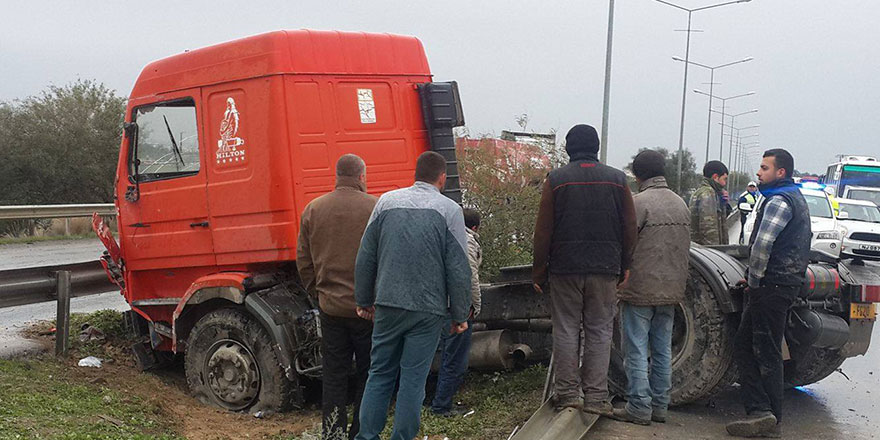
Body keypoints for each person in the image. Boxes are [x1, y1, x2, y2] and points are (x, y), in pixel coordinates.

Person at [354, 151, 471, 440]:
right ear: (442, 177)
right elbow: (459, 268)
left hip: (388, 304)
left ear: (415, 173)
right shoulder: (449, 210)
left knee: (379, 374)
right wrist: (459, 315)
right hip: (427, 310)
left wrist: (363, 300)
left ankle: (366, 436)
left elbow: (365, 256)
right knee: (412, 380)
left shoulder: (386, 202)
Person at [532, 124, 638, 416]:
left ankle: (567, 394)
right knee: (600, 330)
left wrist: (539, 270)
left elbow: (543, 231)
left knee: (566, 329)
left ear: (568, 148)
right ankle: (596, 398)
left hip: (565, 268)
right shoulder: (618, 180)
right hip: (605, 268)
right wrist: (625, 264)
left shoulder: (556, 180)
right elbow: (629, 226)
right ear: (596, 148)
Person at [726, 149, 811, 438]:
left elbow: (762, 246)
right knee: (755, 346)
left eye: (764, 168)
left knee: (762, 349)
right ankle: (766, 412)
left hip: (771, 286)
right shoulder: (794, 197)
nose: (758, 173)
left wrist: (754, 280)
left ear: (781, 172)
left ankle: (765, 412)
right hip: (783, 284)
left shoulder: (779, 200)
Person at [296, 154, 378, 440]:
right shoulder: (376, 208)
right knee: (370, 373)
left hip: (330, 308)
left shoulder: (313, 209)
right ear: (362, 176)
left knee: (334, 375)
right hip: (368, 309)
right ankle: (362, 432)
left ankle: (333, 432)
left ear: (337, 175)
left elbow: (304, 262)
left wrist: (317, 292)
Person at [612, 150, 690, 426]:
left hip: (640, 290)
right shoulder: (681, 204)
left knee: (635, 349)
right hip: (671, 291)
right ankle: (660, 407)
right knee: (662, 350)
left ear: (637, 175)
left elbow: (625, 243)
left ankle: (638, 407)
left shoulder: (638, 203)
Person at [431, 208, 482, 417]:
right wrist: (475, 305)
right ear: (475, 227)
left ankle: (435, 399)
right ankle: (442, 406)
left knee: (443, 354)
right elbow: (470, 277)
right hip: (458, 307)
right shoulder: (467, 241)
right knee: (456, 359)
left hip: (438, 304)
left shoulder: (444, 236)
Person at [690, 160, 730, 245]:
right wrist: (715, 253)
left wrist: (723, 204)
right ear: (715, 177)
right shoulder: (708, 194)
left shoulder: (702, 192)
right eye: (724, 179)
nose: (725, 183)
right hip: (706, 252)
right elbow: (709, 230)